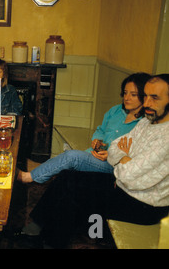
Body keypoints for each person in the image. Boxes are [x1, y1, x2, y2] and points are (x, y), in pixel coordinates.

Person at [17, 74, 169, 248]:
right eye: (146, 96)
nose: (147, 103)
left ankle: (50, 242)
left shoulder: (166, 137)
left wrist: (123, 160)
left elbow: (128, 174)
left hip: (142, 206)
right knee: (67, 176)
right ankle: (39, 227)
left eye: (155, 97)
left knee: (74, 192)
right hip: (123, 187)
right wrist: (125, 158)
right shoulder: (148, 123)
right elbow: (114, 148)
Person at [18, 72, 151, 184]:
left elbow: (137, 158)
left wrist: (112, 156)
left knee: (72, 157)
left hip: (113, 166)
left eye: (133, 95)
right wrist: (97, 140)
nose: (127, 98)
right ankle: (44, 173)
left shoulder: (144, 124)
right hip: (94, 155)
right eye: (125, 93)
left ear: (144, 96)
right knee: (67, 166)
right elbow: (101, 130)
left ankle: (28, 177)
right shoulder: (115, 111)